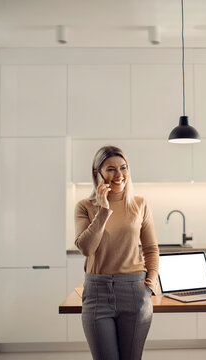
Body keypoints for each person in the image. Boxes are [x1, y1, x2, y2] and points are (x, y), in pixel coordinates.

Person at [74, 145, 159, 360]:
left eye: (123, 168)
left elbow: (150, 249)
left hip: (134, 291)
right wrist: (103, 211)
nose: (119, 175)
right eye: (111, 169)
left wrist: (150, 284)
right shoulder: (85, 207)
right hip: (97, 292)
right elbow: (86, 248)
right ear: (97, 173)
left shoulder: (140, 204)